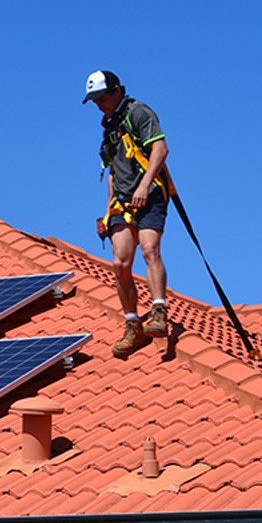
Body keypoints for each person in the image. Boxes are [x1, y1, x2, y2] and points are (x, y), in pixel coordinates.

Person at [82, 70, 170, 358]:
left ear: (117, 90)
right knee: (120, 263)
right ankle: (132, 324)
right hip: (121, 201)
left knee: (149, 248)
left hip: (149, 194)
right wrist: (108, 211)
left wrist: (144, 186)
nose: (99, 104)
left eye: (102, 97)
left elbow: (160, 148)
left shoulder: (139, 112)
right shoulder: (108, 126)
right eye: (94, 100)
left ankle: (158, 311)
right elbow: (110, 172)